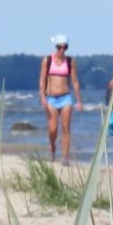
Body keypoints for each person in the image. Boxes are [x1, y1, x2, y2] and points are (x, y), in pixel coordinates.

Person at [39, 34, 83, 165]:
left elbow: (75, 81)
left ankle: (65, 157)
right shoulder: (47, 60)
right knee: (53, 128)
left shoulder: (70, 61)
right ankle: (52, 145)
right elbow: (42, 80)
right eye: (60, 47)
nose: (62, 50)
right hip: (51, 98)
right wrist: (42, 97)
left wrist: (79, 101)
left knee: (66, 128)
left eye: (65, 47)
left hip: (66, 98)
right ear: (56, 47)